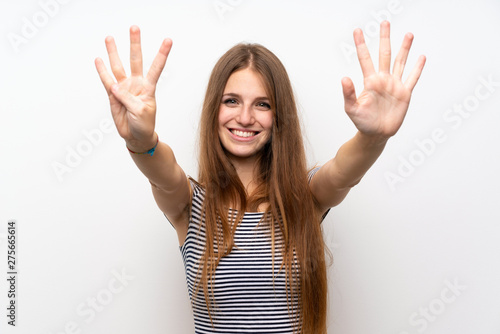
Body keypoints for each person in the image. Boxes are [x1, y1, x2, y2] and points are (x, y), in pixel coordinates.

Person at [95, 21, 425, 334]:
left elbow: (341, 173)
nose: (245, 117)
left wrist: (373, 138)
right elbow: (162, 174)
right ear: (215, 109)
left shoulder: (305, 196)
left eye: (262, 104)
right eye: (232, 101)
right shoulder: (189, 205)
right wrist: (140, 141)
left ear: (278, 116)